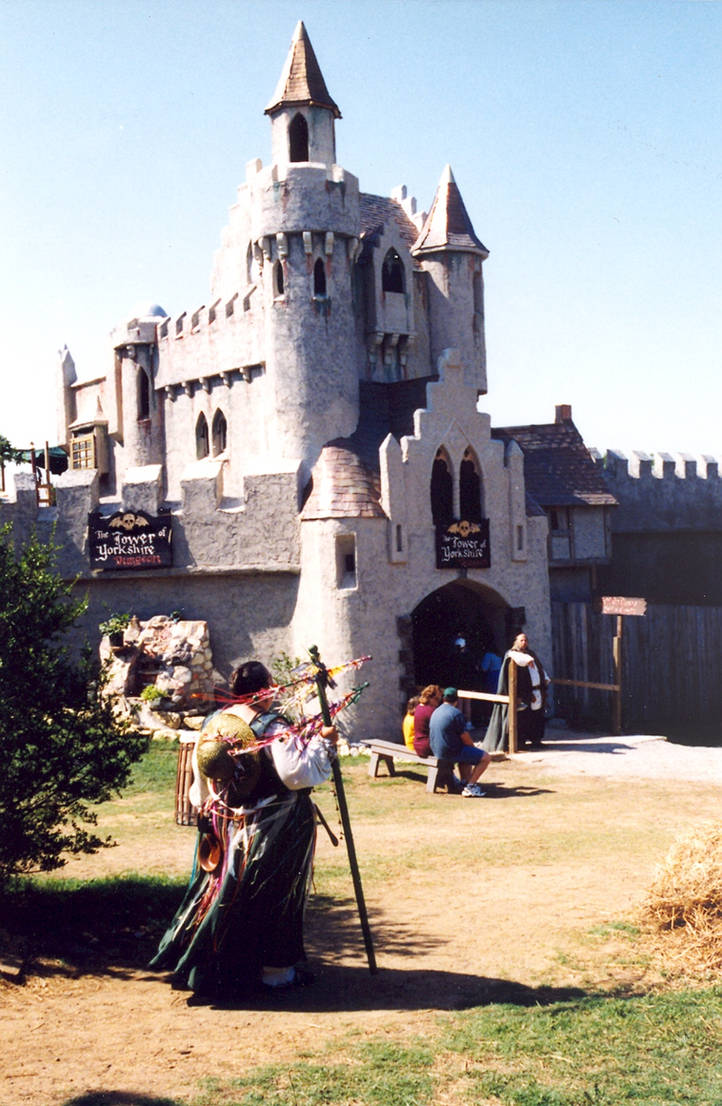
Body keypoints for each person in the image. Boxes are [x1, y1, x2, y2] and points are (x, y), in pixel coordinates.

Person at [150, 660, 338, 1000]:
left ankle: (215, 966)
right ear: (265, 689)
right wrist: (324, 745)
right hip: (271, 828)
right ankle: (274, 973)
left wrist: (208, 807)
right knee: (270, 895)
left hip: (224, 823)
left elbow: (202, 775)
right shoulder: (270, 726)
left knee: (224, 894)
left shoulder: (214, 721)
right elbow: (294, 774)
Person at [484, 632, 551, 752]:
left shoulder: (531, 654)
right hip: (524, 694)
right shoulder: (511, 654)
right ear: (516, 642)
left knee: (537, 717)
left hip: (537, 691)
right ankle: (520, 743)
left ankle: (536, 740)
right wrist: (520, 695)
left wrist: (544, 680)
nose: (524, 643)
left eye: (526, 640)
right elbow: (522, 660)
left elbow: (539, 668)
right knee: (523, 719)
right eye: (521, 640)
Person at [429, 687, 491, 798]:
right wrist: (474, 748)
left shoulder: (436, 711)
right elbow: (465, 736)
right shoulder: (456, 714)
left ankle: (464, 782)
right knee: (485, 757)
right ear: (456, 700)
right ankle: (471, 786)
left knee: (466, 753)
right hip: (449, 752)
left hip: (436, 750)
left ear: (443, 699)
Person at [412, 684, 442, 757]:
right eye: (437, 699)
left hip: (417, 745)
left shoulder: (418, 707)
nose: (437, 703)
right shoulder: (431, 711)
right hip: (427, 747)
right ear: (430, 698)